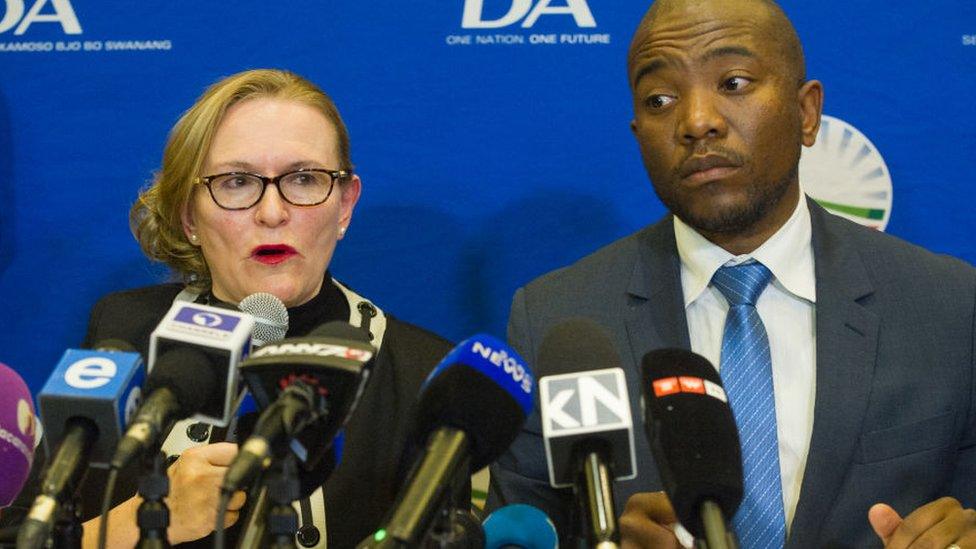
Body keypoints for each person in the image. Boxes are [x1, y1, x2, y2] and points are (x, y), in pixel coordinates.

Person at [487, 0, 976, 547]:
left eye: (735, 82)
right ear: (637, 132)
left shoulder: (949, 305)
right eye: (660, 99)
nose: (697, 121)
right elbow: (522, 530)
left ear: (807, 112)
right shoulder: (560, 319)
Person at [3, 69, 452, 548]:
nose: (273, 213)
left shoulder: (419, 370)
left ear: (344, 205)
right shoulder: (123, 334)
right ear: (188, 216)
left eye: (304, 179)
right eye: (237, 182)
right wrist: (148, 518)